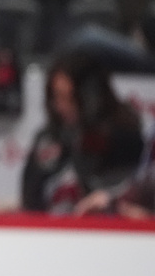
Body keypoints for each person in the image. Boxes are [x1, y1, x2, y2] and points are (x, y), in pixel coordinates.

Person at [20, 51, 144, 214]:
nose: (61, 106)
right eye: (56, 97)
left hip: (107, 231)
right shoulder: (50, 138)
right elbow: (31, 196)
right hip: (52, 232)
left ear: (92, 96)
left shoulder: (122, 136)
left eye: (70, 98)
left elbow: (133, 192)